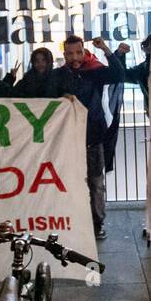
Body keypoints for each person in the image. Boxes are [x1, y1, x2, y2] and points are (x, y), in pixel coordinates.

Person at [54, 36, 129, 240]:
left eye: (78, 52)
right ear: (64, 55)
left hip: (92, 135)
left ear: (84, 51)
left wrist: (105, 48)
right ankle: (73, 220)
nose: (74, 57)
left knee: (95, 182)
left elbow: (118, 75)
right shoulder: (58, 75)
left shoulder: (93, 71)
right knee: (68, 182)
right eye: (70, 53)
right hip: (66, 139)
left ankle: (97, 223)